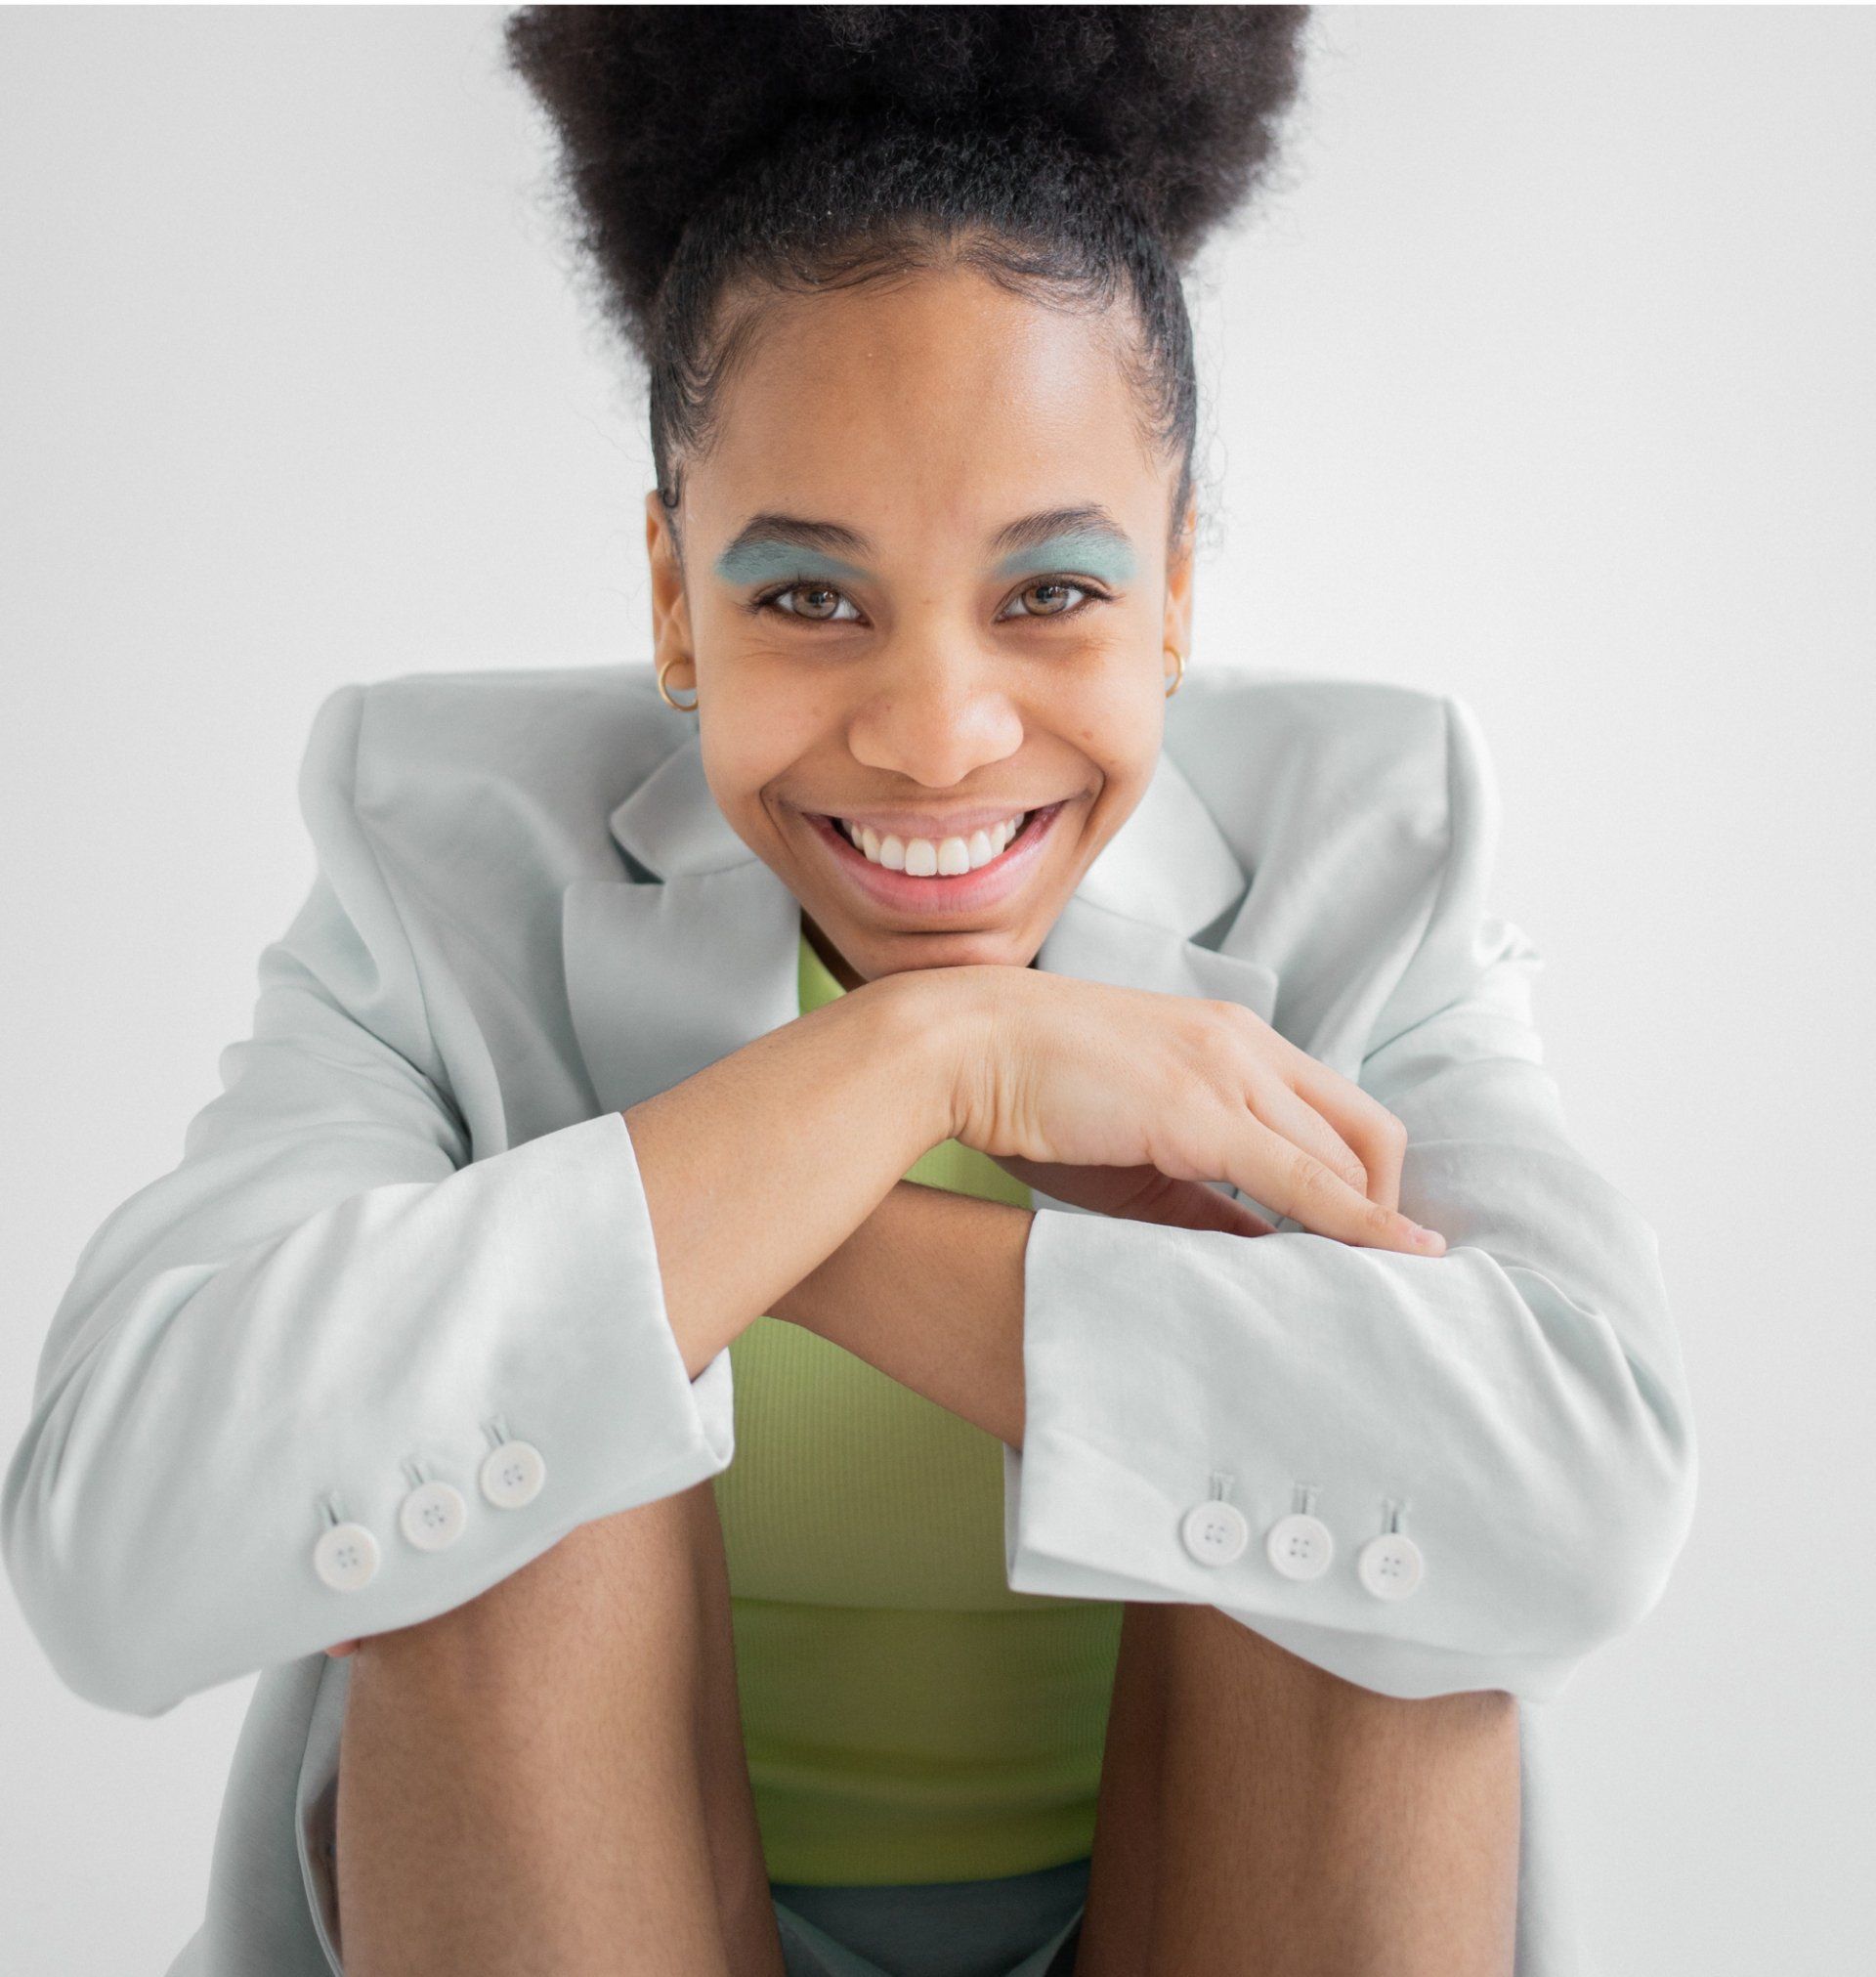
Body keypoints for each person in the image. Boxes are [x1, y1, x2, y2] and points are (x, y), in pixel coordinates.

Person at [1, 8, 1698, 1975]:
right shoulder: (437, 852)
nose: (937, 735)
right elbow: (115, 1563)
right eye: (807, 595)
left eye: (1051, 589)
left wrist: (768, 1222)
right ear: (672, 598)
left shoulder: (1367, 845)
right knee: (518, 1494)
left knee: (1367, 1484)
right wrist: (929, 1056)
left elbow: (1582, 1520)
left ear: (1175, 591)